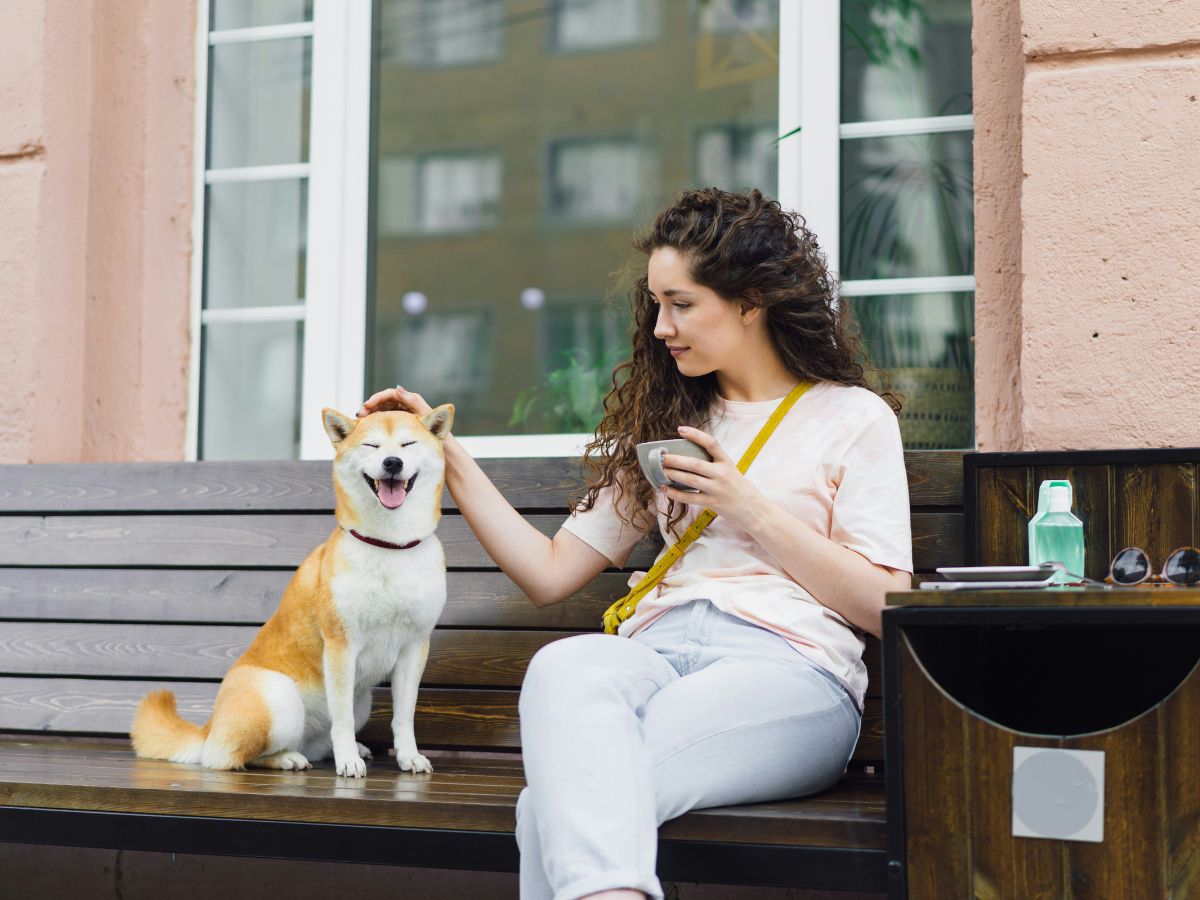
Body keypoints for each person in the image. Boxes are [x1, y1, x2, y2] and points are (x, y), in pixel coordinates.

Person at [358, 187, 913, 900]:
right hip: (653, 656)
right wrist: (444, 452)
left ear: (749, 301)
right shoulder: (674, 418)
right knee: (564, 668)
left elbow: (888, 605)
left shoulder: (851, 418)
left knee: (553, 808)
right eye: (656, 304)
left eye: (681, 304)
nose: (660, 328)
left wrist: (748, 506)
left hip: (786, 673)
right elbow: (551, 572)